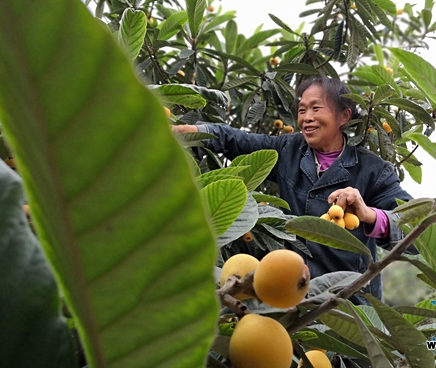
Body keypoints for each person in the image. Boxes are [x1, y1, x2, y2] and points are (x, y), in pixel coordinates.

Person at [173, 76, 411, 301]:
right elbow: (238, 140)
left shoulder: (374, 170)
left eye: (316, 108)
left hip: (347, 301)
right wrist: (192, 132)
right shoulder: (289, 149)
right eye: (302, 110)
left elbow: (412, 230)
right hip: (287, 293)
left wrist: (369, 215)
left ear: (343, 116)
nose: (307, 117)